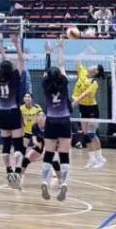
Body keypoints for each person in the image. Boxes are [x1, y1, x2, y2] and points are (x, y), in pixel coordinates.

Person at [39, 39, 91, 202]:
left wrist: (48, 52)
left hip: (51, 121)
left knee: (48, 153)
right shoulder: (64, 83)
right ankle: (64, 184)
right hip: (64, 121)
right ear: (60, 76)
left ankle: (45, 182)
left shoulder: (45, 84)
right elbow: (61, 64)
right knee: (64, 155)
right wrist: (61, 47)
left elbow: (47, 71)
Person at [0, 36, 28, 189]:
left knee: (6, 145)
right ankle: (17, 172)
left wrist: (1, 43)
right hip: (13, 112)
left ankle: (8, 171)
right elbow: (21, 60)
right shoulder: (14, 77)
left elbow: (4, 61)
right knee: (18, 145)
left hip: (2, 113)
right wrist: (16, 43)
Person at [73, 52, 107, 169]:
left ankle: (100, 158)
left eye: (94, 66)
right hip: (82, 107)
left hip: (92, 108)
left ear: (96, 71)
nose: (91, 66)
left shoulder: (94, 82)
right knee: (85, 134)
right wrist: (86, 52)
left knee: (92, 133)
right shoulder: (82, 72)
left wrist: (74, 103)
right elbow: (77, 60)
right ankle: (92, 159)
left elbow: (85, 94)